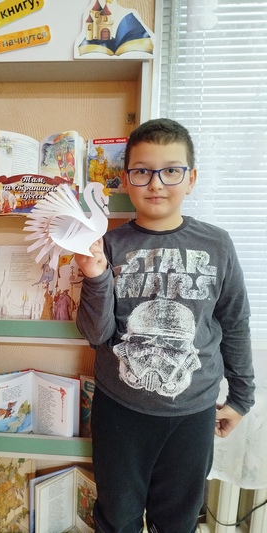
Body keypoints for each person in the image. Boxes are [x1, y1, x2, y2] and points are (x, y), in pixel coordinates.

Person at [74, 118, 255, 533]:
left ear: (191, 179)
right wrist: (95, 276)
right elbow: (96, 334)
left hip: (193, 414)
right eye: (142, 171)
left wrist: (241, 397)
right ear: (126, 180)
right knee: (116, 517)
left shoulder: (217, 244)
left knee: (178, 520)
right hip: (119, 411)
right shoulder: (107, 245)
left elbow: (235, 322)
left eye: (171, 170)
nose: (156, 183)